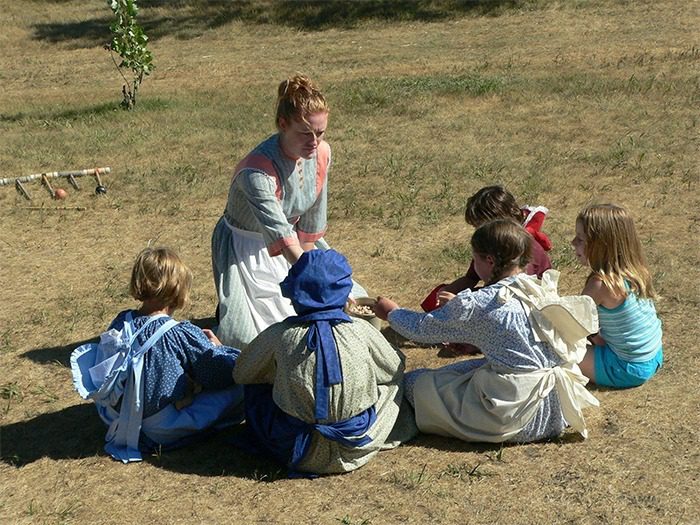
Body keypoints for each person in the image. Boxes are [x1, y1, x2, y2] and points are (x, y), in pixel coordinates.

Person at [374, 219, 599, 444]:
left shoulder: (481, 304)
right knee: (466, 369)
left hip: (518, 418)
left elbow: (422, 329)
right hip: (557, 411)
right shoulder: (539, 290)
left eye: (475, 258)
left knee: (416, 383)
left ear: (489, 260)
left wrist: (392, 313)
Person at [212, 74, 365, 349]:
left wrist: (317, 275)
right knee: (250, 338)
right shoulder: (256, 171)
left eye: (321, 133)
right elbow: (279, 234)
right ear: (283, 125)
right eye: (306, 133)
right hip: (248, 247)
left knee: (346, 303)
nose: (315, 142)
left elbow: (311, 219)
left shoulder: (321, 153)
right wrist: (315, 279)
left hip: (296, 243)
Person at [232, 249, 417, 476]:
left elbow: (241, 373)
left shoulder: (279, 335)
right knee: (393, 384)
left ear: (294, 292)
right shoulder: (361, 330)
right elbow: (394, 367)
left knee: (255, 388)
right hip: (357, 445)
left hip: (294, 448)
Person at [71, 247, 245, 463]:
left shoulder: (121, 321)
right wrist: (220, 349)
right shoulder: (180, 334)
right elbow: (221, 373)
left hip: (115, 417)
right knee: (241, 388)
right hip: (160, 427)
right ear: (179, 289)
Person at [572, 204, 663, 388]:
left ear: (600, 246)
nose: (573, 242)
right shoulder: (636, 271)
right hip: (653, 357)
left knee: (557, 351)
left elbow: (573, 324)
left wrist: (593, 337)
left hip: (625, 368)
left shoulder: (600, 284)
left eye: (580, 239)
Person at [420, 185, 553, 312]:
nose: (478, 232)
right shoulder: (490, 244)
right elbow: (471, 278)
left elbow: (512, 300)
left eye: (480, 226)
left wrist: (461, 304)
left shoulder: (524, 250)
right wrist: (444, 293)